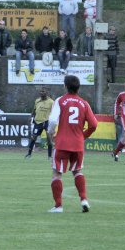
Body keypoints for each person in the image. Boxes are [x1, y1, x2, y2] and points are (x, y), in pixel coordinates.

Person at [47, 75, 98, 213]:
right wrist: (83, 136)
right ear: (78, 87)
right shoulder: (84, 103)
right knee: (77, 171)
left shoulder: (60, 101)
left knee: (57, 174)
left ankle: (58, 206)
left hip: (62, 143)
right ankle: (84, 199)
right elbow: (94, 124)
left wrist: (51, 133)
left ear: (65, 86)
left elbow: (52, 121)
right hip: (77, 145)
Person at [25, 88, 54, 159]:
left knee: (49, 138)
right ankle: (29, 154)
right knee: (33, 138)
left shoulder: (51, 102)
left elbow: (54, 112)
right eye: (40, 91)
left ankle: (50, 156)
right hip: (37, 122)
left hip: (47, 122)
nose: (41, 93)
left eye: (43, 91)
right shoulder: (37, 100)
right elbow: (34, 110)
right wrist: (31, 116)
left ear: (47, 92)